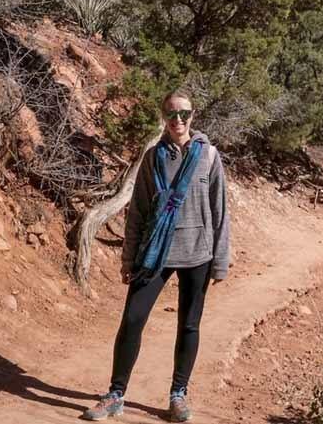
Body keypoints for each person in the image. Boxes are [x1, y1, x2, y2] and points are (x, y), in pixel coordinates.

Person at [84, 89, 230, 422]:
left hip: (198, 252)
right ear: (163, 117)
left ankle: (178, 395)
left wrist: (220, 260)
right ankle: (115, 394)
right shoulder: (153, 157)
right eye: (172, 114)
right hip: (155, 252)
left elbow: (219, 210)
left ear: (194, 115)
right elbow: (136, 212)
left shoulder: (208, 156)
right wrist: (128, 258)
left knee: (189, 325)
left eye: (185, 114)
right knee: (132, 320)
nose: (178, 120)